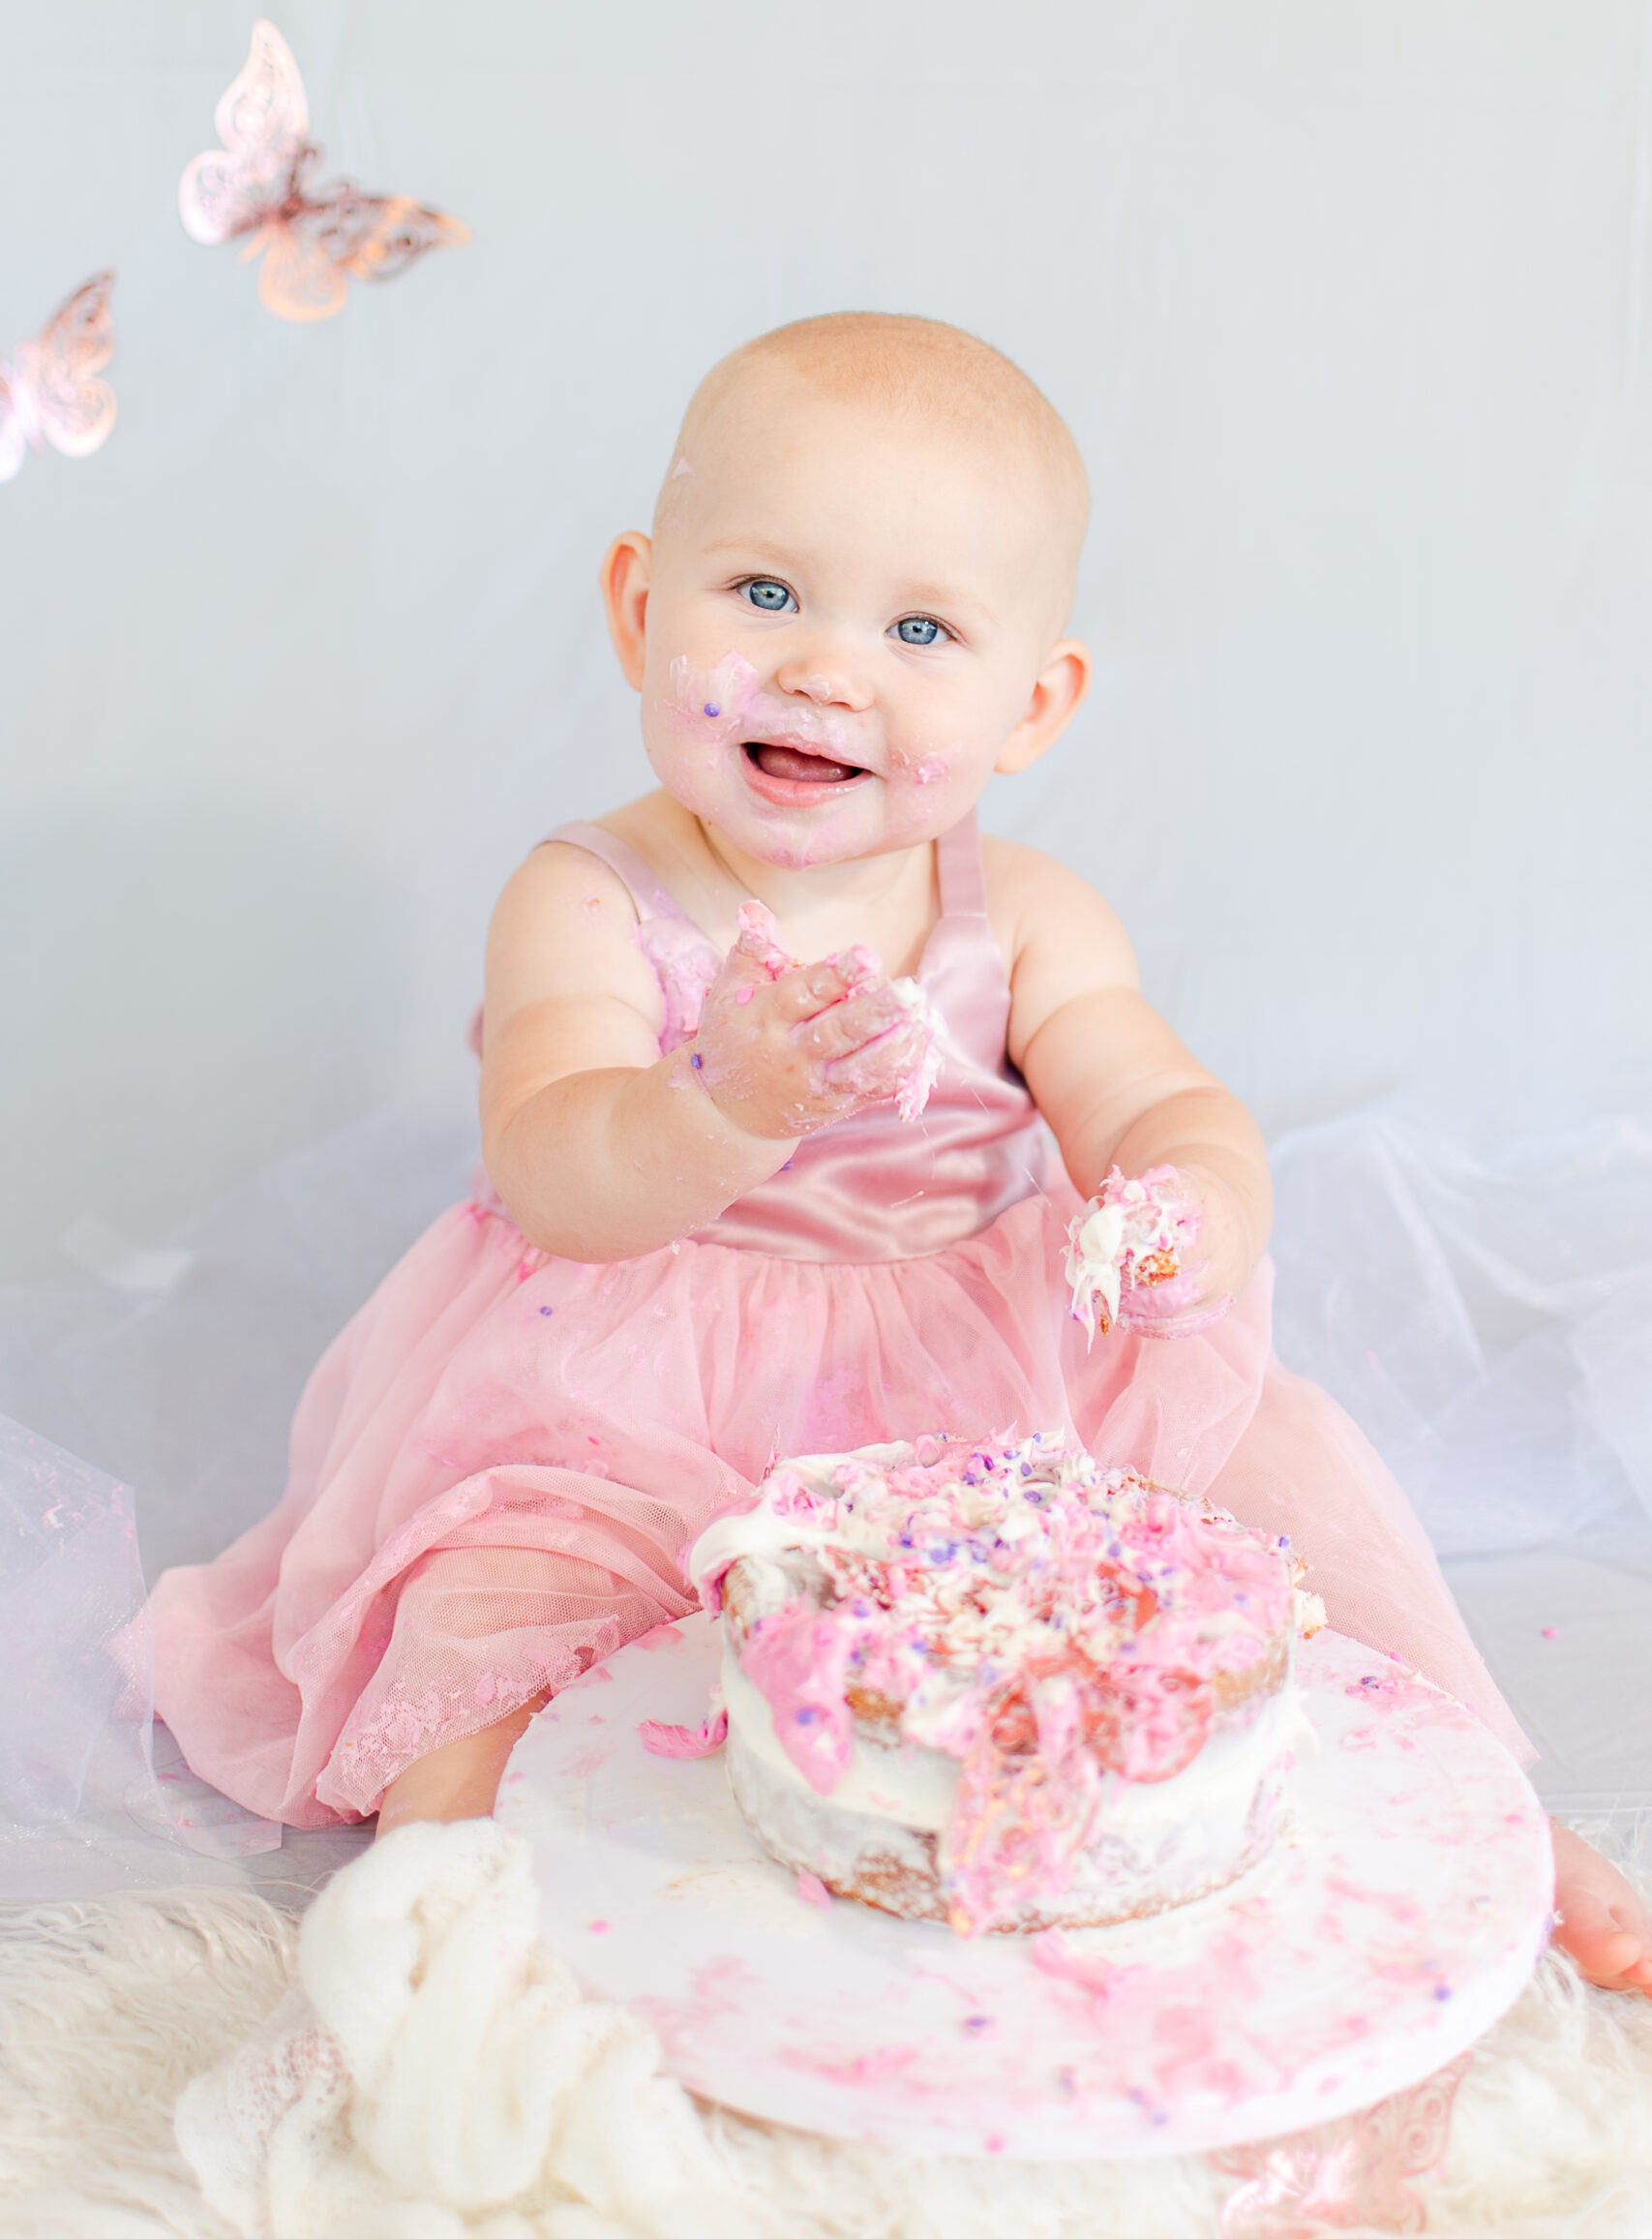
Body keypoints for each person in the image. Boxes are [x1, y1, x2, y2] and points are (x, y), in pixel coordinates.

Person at [147, 312, 1650, 1994]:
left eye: (921, 628)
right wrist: (714, 1101)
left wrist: (1190, 1208)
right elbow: (561, 1167)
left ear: (1033, 703)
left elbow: (1161, 1102)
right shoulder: (587, 898)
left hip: (990, 1380)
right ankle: (467, 1935)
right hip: (628, 1378)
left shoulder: (1029, 920)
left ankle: (1475, 1825)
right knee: (511, 1603)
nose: (826, 670)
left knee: (1265, 1529)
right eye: (767, 594)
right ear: (642, 607)